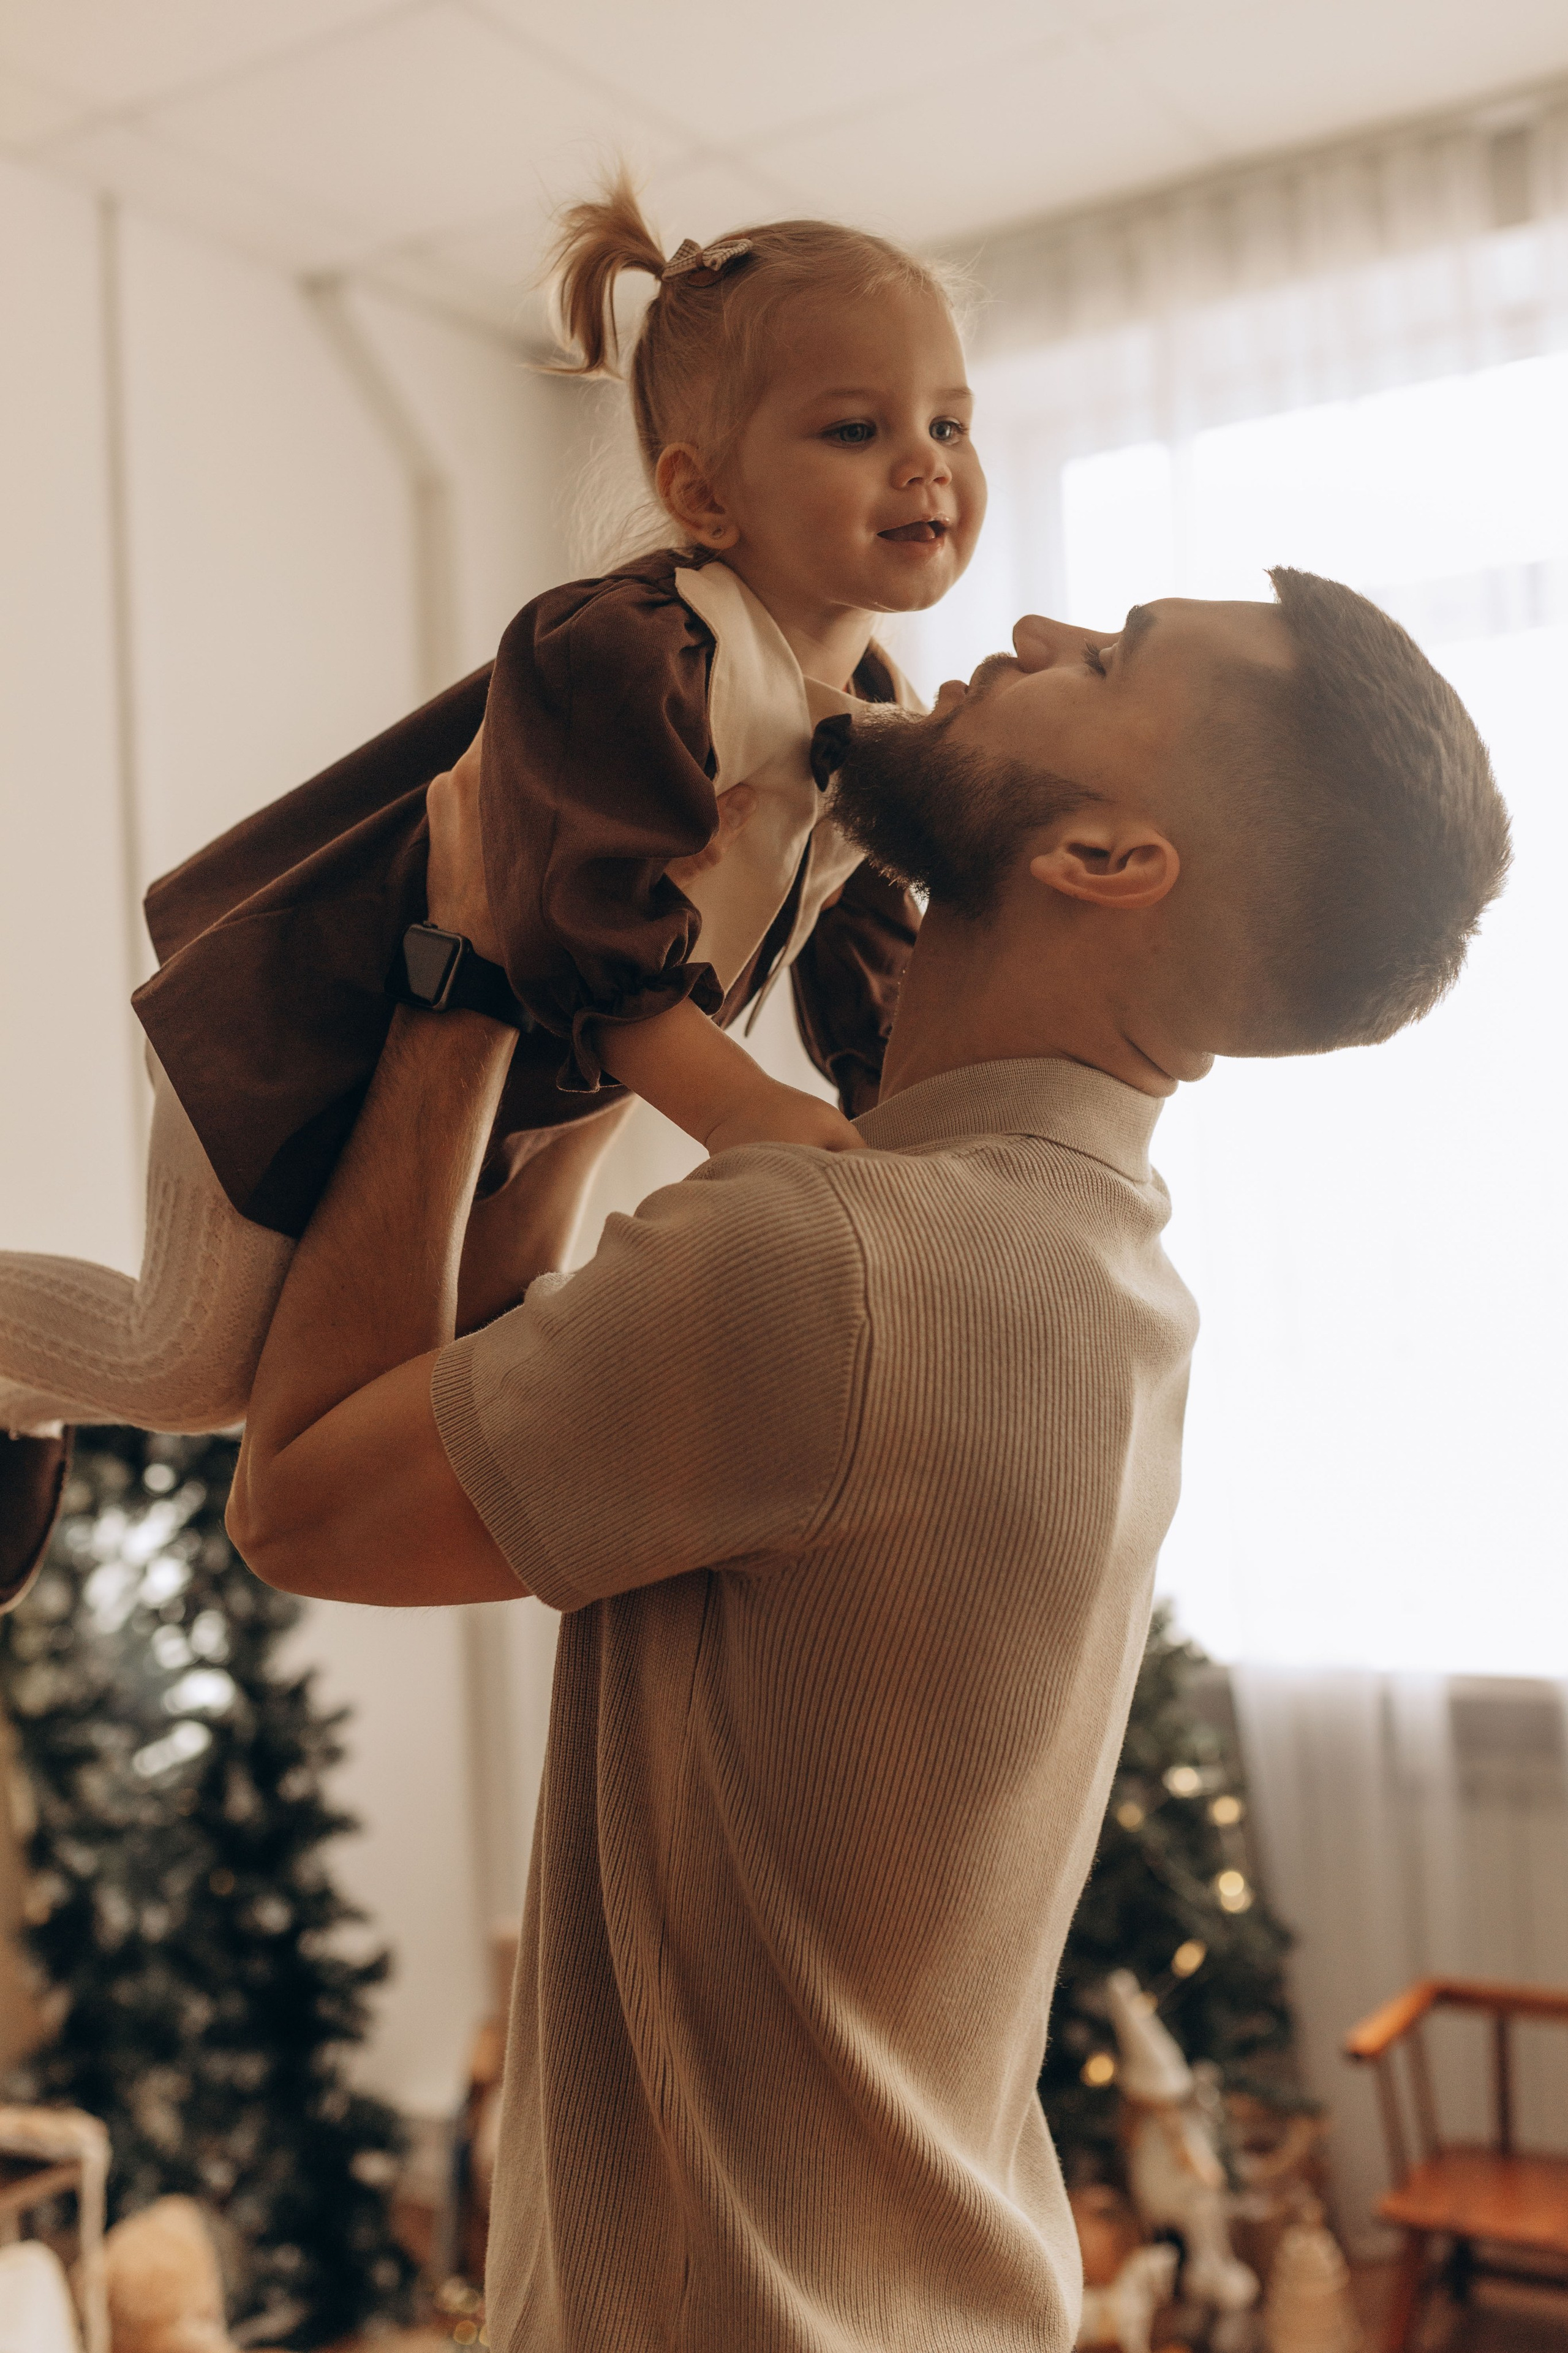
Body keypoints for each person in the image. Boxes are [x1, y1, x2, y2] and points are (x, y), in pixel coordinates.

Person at [225, 571, 1507, 2352]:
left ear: (1112, 859)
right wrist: (604, 996)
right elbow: (513, 1380)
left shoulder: (844, 1269)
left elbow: (299, 1499)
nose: (1041, 632)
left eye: (1112, 660)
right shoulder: (1102, 1283)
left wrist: (464, 964)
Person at [0, 178, 987, 1599]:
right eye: (857, 428)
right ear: (703, 492)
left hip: (510, 1088)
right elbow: (572, 930)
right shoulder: (628, 650)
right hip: (293, 1028)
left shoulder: (877, 719)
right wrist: (741, 1112)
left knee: (458, 1359)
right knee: (191, 1367)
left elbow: (862, 955)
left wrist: (894, 1116)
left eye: (947, 423)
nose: (924, 464)